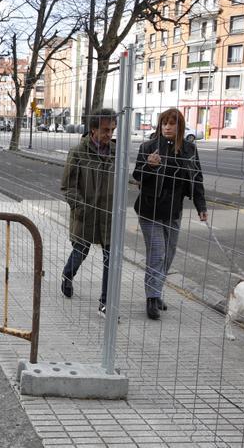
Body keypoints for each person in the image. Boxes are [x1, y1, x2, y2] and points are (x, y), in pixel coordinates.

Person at [133, 108, 207, 320]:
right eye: (164, 123)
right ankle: (151, 299)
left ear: (179, 127)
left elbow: (197, 179)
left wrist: (201, 206)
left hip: (174, 210)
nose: (167, 127)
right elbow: (137, 175)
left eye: (172, 123)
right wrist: (149, 166)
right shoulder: (148, 147)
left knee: (169, 254)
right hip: (150, 209)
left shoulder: (189, 149)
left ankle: (156, 293)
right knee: (157, 253)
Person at [60, 109, 117, 317]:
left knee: (111, 259)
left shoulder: (115, 152)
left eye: (112, 129)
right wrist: (81, 207)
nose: (108, 134)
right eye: (104, 130)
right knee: (80, 251)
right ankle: (67, 274)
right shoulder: (78, 152)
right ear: (93, 129)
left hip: (109, 216)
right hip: (86, 214)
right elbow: (67, 186)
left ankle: (105, 302)